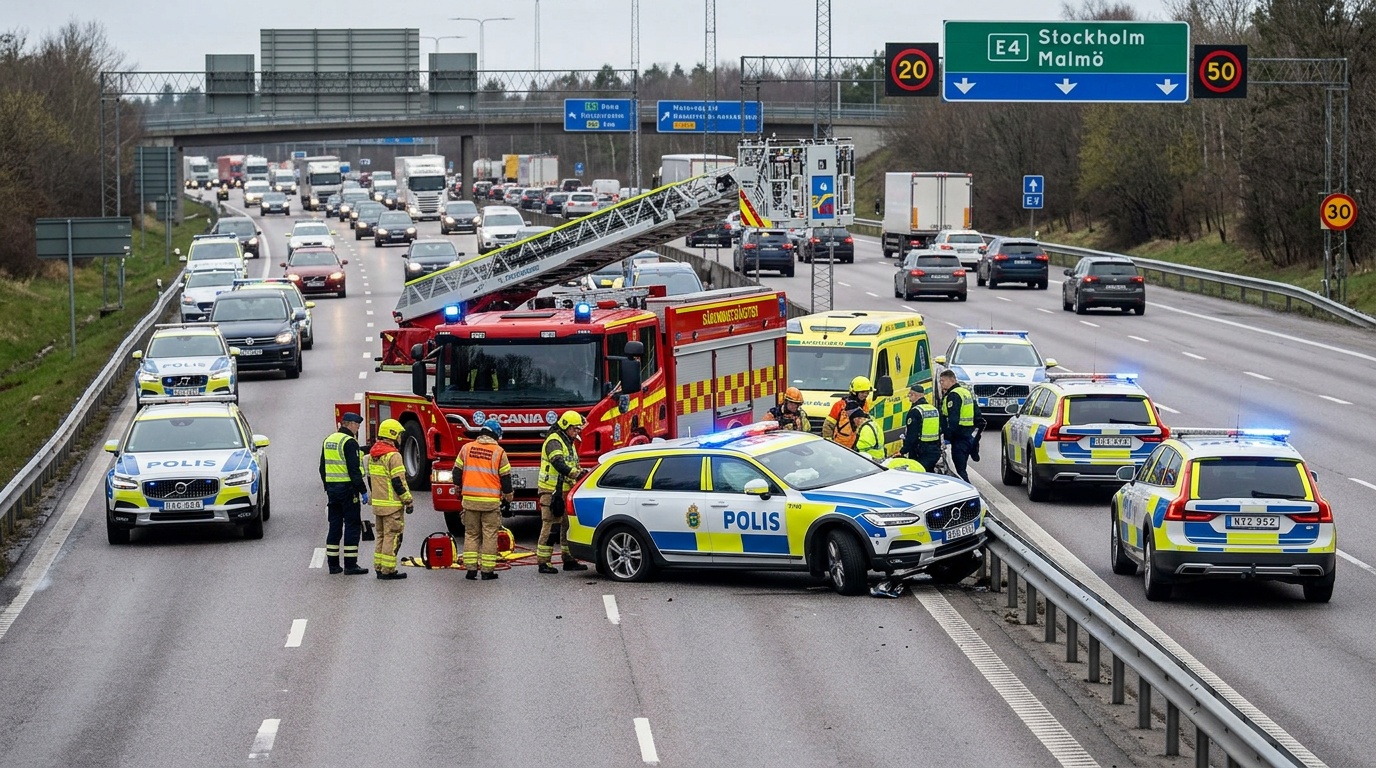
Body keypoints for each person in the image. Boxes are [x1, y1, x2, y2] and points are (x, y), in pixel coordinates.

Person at [456, 418, 513, 580]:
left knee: (471, 534)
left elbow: (456, 473)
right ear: (496, 435)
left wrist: (460, 488)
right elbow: (506, 479)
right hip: (490, 502)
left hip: (469, 501)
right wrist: (508, 498)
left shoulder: (466, 448)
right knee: (489, 535)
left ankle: (471, 569)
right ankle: (487, 571)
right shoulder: (499, 452)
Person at [537, 411, 591, 574]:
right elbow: (559, 463)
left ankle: (568, 559)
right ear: (566, 426)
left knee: (567, 526)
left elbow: (571, 463)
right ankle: (543, 562)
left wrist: (580, 472)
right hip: (551, 491)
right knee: (551, 525)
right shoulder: (554, 441)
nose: (577, 432)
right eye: (575, 429)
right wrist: (575, 474)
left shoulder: (569, 442)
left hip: (565, 491)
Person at [320, 412, 369, 575]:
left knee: (334, 526)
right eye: (357, 425)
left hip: (333, 491)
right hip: (348, 491)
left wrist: (328, 487)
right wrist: (363, 490)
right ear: (350, 424)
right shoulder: (349, 442)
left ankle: (333, 565)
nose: (358, 429)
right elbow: (354, 470)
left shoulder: (329, 440)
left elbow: (322, 468)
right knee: (352, 525)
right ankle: (350, 564)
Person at [368, 418, 413, 580]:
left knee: (380, 536)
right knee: (392, 536)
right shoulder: (393, 456)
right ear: (392, 435)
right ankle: (388, 570)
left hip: (378, 505)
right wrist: (408, 500)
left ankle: (379, 567)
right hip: (392, 505)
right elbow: (398, 481)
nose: (400, 438)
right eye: (399, 435)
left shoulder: (374, 454)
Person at [938, 370, 982, 482]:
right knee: (961, 467)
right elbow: (977, 412)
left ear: (952, 380)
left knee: (959, 471)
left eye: (943, 381)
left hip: (958, 437)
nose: (941, 383)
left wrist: (948, 436)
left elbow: (953, 418)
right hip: (967, 434)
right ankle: (974, 450)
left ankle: (969, 492)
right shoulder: (965, 392)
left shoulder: (953, 395)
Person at [822, 376, 873, 449]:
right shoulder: (839, 405)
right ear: (854, 392)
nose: (865, 394)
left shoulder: (866, 405)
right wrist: (829, 445)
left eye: (867, 392)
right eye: (862, 392)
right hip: (840, 447)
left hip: (856, 448)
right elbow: (828, 426)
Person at [902, 386, 942, 472]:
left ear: (913, 395)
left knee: (919, 473)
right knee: (929, 472)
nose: (909, 398)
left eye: (909, 395)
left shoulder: (915, 411)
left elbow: (912, 435)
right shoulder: (933, 409)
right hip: (935, 449)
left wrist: (903, 450)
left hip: (920, 450)